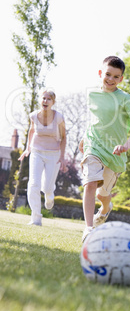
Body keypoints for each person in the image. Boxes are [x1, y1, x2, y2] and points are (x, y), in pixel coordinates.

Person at [79, 56, 130, 242]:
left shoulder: (126, 100)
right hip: (94, 145)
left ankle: (106, 208)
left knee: (102, 194)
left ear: (121, 79)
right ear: (101, 73)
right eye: (108, 74)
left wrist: (127, 145)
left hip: (115, 154)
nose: (110, 79)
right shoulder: (92, 94)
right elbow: (95, 119)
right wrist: (85, 138)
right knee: (90, 183)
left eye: (116, 76)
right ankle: (89, 228)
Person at [19, 89, 67, 226]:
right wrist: (28, 148)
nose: (45, 101)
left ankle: (49, 194)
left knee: (46, 187)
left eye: (49, 99)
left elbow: (64, 137)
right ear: (40, 100)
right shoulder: (34, 116)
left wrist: (62, 157)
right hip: (37, 152)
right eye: (43, 98)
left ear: (53, 102)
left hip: (54, 154)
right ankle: (36, 218)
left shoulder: (59, 118)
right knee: (34, 183)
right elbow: (32, 131)